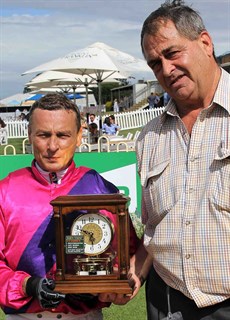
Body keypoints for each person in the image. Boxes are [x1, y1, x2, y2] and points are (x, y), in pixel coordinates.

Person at [100, 0, 230, 319]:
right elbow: (154, 232)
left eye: (172, 53)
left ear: (205, 43)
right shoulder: (149, 137)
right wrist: (133, 276)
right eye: (155, 64)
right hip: (167, 303)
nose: (166, 70)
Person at [0, 93, 140, 320]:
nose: (52, 146)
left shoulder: (100, 188)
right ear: (29, 135)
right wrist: (28, 286)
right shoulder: (6, 191)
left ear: (78, 136)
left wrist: (104, 288)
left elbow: (127, 255)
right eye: (43, 135)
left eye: (62, 135)